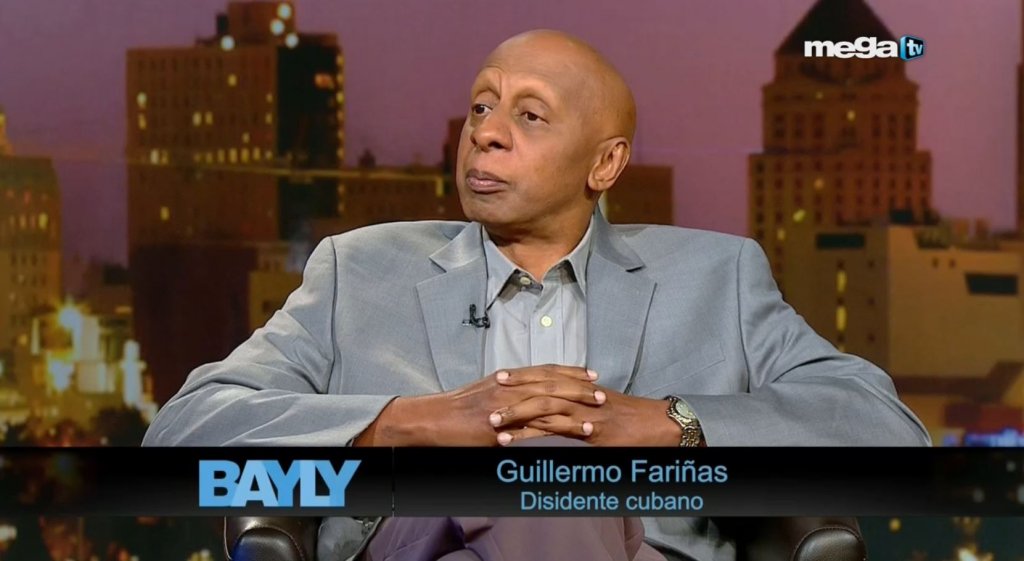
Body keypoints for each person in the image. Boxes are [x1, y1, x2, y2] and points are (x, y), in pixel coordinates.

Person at [143, 29, 930, 561]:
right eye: (481, 106)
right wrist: (407, 424)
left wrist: (673, 424)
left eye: (529, 115)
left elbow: (888, 432)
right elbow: (182, 434)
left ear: (605, 164)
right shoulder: (360, 270)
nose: (485, 131)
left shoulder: (716, 277)